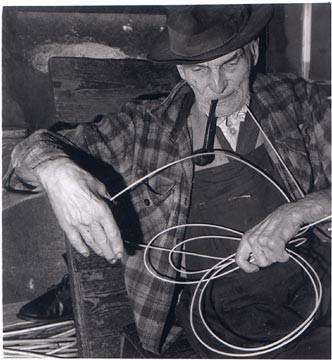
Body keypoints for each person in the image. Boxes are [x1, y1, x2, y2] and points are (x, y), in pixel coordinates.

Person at [6, 4, 331, 358]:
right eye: (199, 69)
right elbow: (25, 158)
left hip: (314, 286)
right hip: (225, 318)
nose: (217, 84)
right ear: (181, 70)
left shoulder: (297, 101)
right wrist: (55, 171)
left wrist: (298, 212)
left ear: (253, 51)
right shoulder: (145, 130)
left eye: (230, 63)